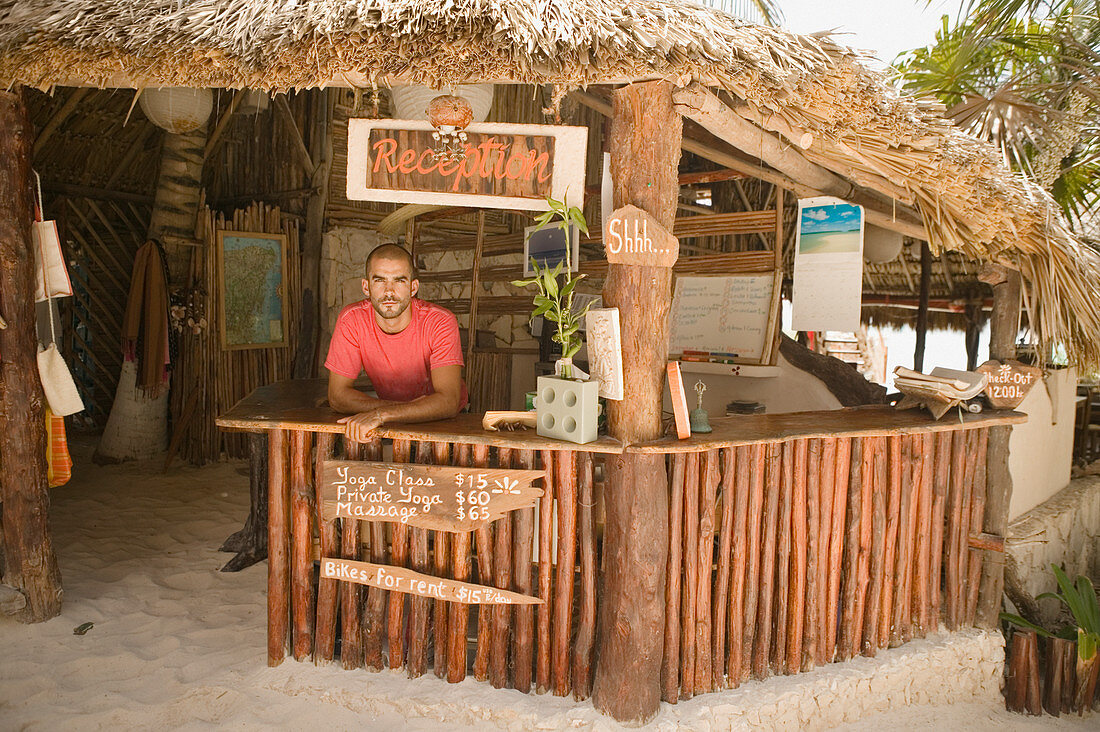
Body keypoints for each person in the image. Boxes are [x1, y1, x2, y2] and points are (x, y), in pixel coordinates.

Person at [325, 243, 467, 442]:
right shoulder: (351, 319)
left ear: (413, 287)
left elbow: (448, 401)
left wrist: (381, 414)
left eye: (399, 281)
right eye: (380, 280)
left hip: (444, 423)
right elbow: (337, 396)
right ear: (366, 286)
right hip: (389, 420)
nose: (389, 291)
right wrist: (398, 411)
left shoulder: (440, 321)